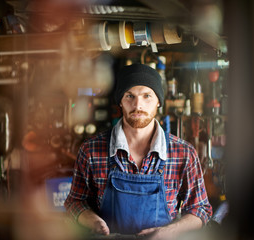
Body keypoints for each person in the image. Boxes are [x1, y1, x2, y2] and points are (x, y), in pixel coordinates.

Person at [64, 63, 212, 239]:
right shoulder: (91, 150)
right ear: (120, 100)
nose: (137, 105)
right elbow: (75, 202)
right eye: (130, 96)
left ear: (159, 102)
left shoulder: (184, 153)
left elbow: (200, 209)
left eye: (147, 96)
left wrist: (169, 231)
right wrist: (94, 221)